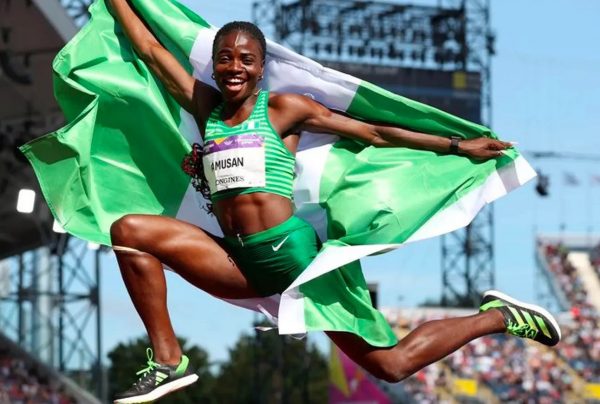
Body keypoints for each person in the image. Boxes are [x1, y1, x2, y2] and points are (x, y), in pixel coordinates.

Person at [108, 1, 561, 403]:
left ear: (261, 68)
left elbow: (376, 132)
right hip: (238, 262)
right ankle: (168, 361)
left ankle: (498, 317)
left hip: (296, 260)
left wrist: (457, 147)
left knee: (393, 365)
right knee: (128, 231)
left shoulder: (285, 109)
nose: (234, 67)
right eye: (224, 58)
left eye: (246, 60)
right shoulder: (206, 109)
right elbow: (150, 49)